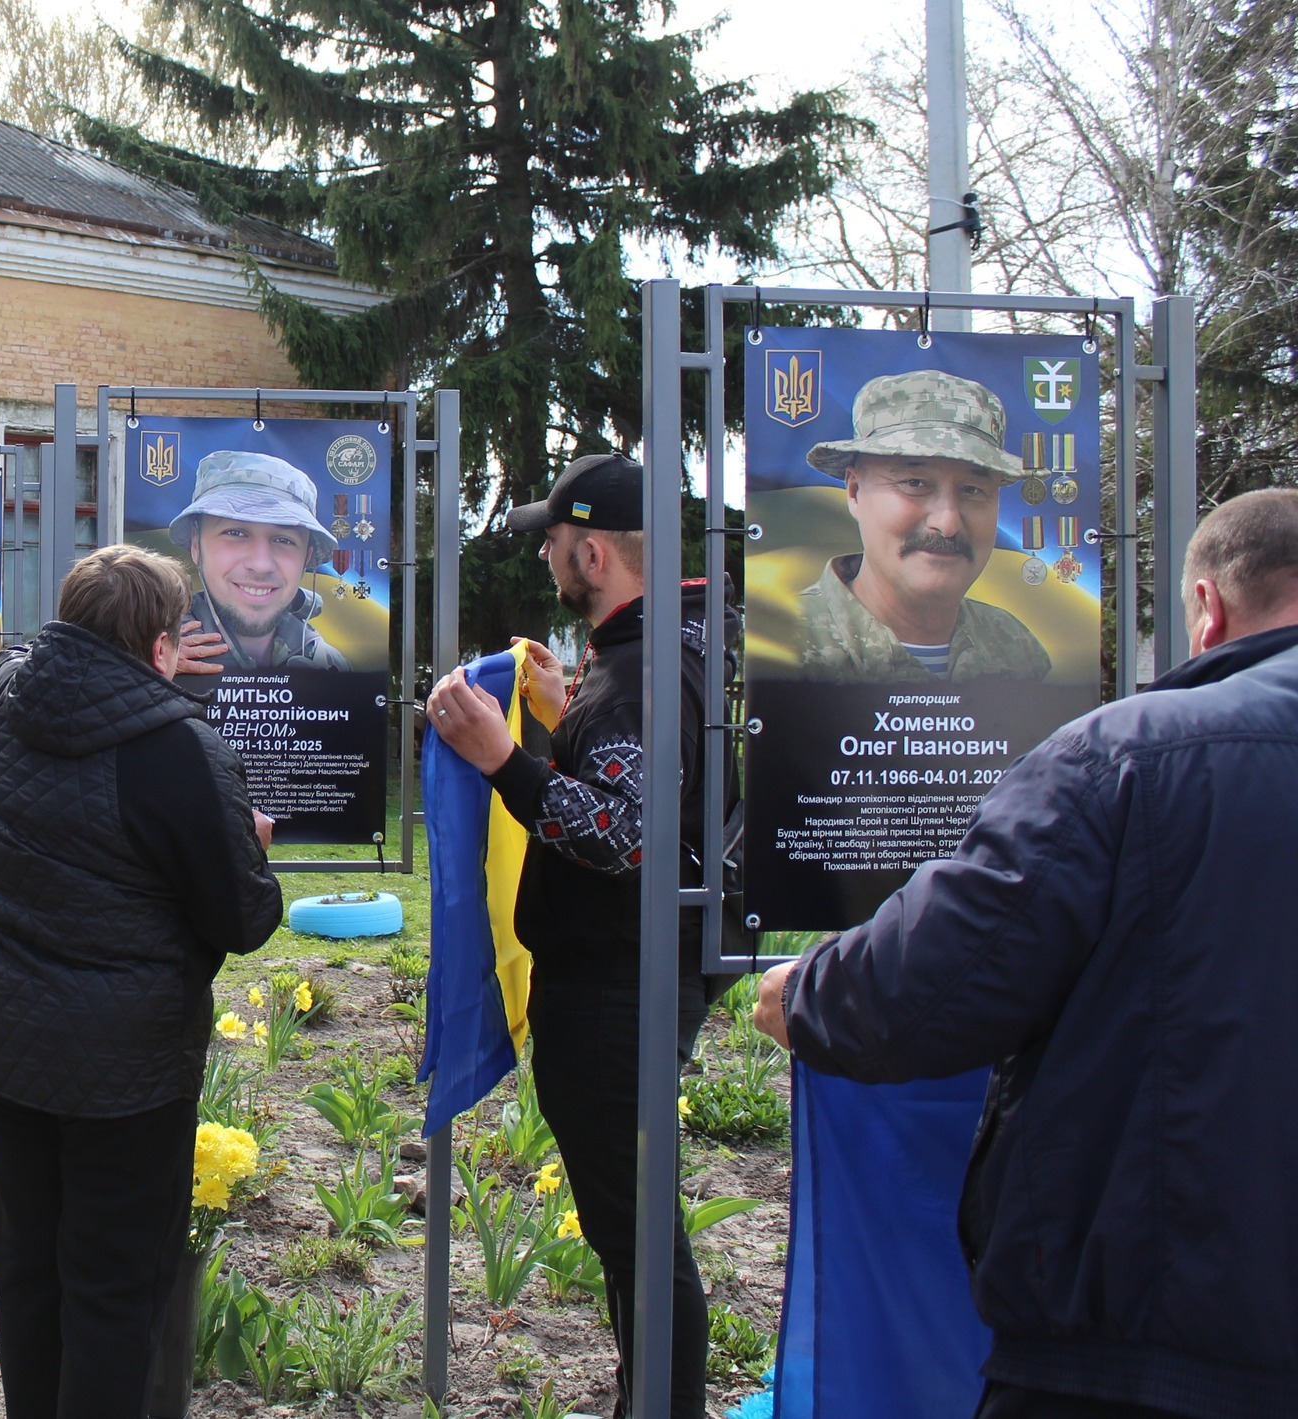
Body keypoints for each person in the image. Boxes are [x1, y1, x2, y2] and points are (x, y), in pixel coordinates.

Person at [754, 488, 1298, 1419]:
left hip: (1144, 1353)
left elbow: (933, 981)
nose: (941, 517)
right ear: (852, 499)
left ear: (1205, 609)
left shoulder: (1128, 759)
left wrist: (808, 994)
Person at [427, 453, 729, 1419]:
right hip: (630, 976)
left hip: (614, 991)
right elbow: (648, 789)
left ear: (594, 551)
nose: (547, 552)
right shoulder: (665, 646)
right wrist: (564, 721)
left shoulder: (642, 667)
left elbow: (627, 832)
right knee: (630, 1234)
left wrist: (504, 759)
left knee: (639, 1238)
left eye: (554, 539)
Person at [0, 544, 283, 1419]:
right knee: (113, 1287)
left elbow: (32, 659)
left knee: (29, 1262)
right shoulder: (181, 751)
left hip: (10, 1041)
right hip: (123, 1070)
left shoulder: (7, 694)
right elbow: (241, 919)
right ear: (161, 647)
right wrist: (250, 846)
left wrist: (153, 665)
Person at [798, 370, 1051, 683]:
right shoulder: (786, 637)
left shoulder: (1018, 648)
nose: (947, 523)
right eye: (914, 483)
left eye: (973, 489)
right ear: (855, 492)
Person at [166, 450, 350, 671]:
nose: (261, 565)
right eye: (235, 533)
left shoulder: (332, 667)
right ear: (196, 546)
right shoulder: (143, 655)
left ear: (306, 558)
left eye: (284, 540)